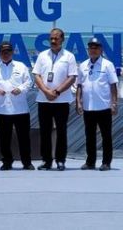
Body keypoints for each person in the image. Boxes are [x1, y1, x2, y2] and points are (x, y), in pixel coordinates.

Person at [32, 28, 78, 171]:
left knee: (61, 131)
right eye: (51, 38)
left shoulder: (69, 56)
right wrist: (46, 91)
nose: (53, 41)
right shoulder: (42, 56)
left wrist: (57, 91)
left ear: (62, 39)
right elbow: (37, 75)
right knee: (44, 132)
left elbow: (72, 77)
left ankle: (60, 160)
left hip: (62, 100)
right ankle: (46, 160)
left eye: (56, 38)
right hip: (44, 99)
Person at [0, 40, 34, 170]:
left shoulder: (21, 66)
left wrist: (21, 89)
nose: (6, 54)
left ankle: (27, 162)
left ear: (12, 52)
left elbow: (28, 82)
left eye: (8, 51)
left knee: (24, 138)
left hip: (20, 109)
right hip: (2, 109)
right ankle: (7, 162)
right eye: (3, 52)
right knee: (4, 138)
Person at [76, 37, 119, 171]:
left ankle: (106, 162)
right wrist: (78, 101)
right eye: (91, 48)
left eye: (96, 48)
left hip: (104, 107)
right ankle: (90, 161)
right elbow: (79, 85)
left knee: (106, 136)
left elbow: (113, 85)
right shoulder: (83, 65)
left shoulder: (107, 65)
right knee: (89, 136)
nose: (93, 50)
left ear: (101, 50)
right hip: (88, 107)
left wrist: (114, 103)